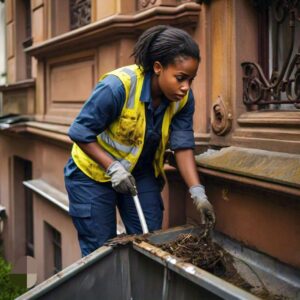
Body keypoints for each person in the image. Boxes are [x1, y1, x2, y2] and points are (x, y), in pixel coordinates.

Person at [64, 25, 215, 257]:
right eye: (180, 78)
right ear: (158, 67)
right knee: (101, 252)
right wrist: (113, 167)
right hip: (91, 175)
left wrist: (198, 193)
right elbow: (79, 131)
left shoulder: (182, 99)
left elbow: (182, 146)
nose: (186, 87)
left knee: (151, 240)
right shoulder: (117, 87)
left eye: (191, 80)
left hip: (140, 172)